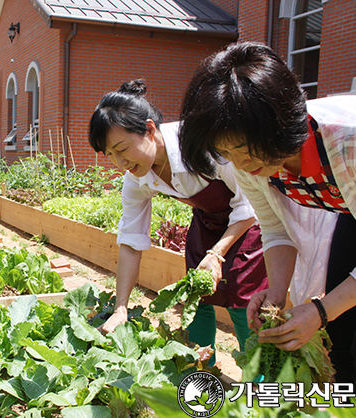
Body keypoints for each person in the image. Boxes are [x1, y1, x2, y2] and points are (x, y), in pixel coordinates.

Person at [178, 41, 356, 384]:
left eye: (244, 151)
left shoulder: (348, 145)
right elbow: (275, 228)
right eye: (226, 153)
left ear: (280, 123)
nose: (241, 166)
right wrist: (277, 291)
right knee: (340, 339)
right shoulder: (253, 161)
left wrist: (320, 310)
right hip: (347, 214)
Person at [88, 79, 268, 366]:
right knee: (196, 297)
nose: (119, 162)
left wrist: (216, 253)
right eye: (110, 155)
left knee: (241, 300)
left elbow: (248, 203)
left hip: (250, 220)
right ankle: (199, 368)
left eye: (122, 149)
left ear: (149, 129)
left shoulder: (203, 143)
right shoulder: (136, 178)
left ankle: (258, 384)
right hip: (208, 222)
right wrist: (121, 307)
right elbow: (132, 241)